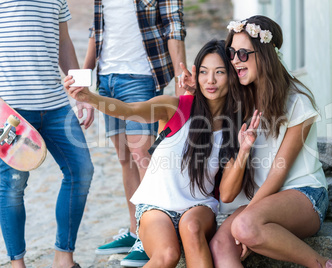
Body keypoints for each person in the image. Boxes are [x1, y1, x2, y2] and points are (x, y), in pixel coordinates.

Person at [66, 39, 259, 268]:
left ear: (231, 77)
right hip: (155, 208)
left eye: (219, 72)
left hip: (199, 208)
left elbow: (226, 194)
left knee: (192, 227)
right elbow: (129, 110)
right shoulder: (176, 107)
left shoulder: (234, 128)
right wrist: (90, 98)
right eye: (204, 72)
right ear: (196, 76)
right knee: (167, 255)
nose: (211, 80)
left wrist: (244, 150)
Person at [179, 15, 332, 268]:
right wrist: (196, 92)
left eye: (243, 54)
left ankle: (324, 265)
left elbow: (279, 173)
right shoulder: (239, 100)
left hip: (304, 196)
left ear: (264, 54)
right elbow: (209, 108)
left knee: (243, 226)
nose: (235, 60)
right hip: (261, 202)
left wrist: (247, 221)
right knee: (220, 245)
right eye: (232, 53)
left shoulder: (297, 102)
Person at [81, 0, 187, 265]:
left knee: (143, 157)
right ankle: (135, 230)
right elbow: (98, 28)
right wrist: (85, 79)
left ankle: (153, 237)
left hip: (141, 76)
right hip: (107, 78)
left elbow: (174, 24)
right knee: (125, 158)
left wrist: (181, 77)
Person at [0, 1, 94, 268]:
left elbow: (64, 42)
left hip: (56, 105)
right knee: (12, 186)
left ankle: (64, 258)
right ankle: (17, 263)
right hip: (11, 112)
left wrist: (83, 93)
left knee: (81, 171)